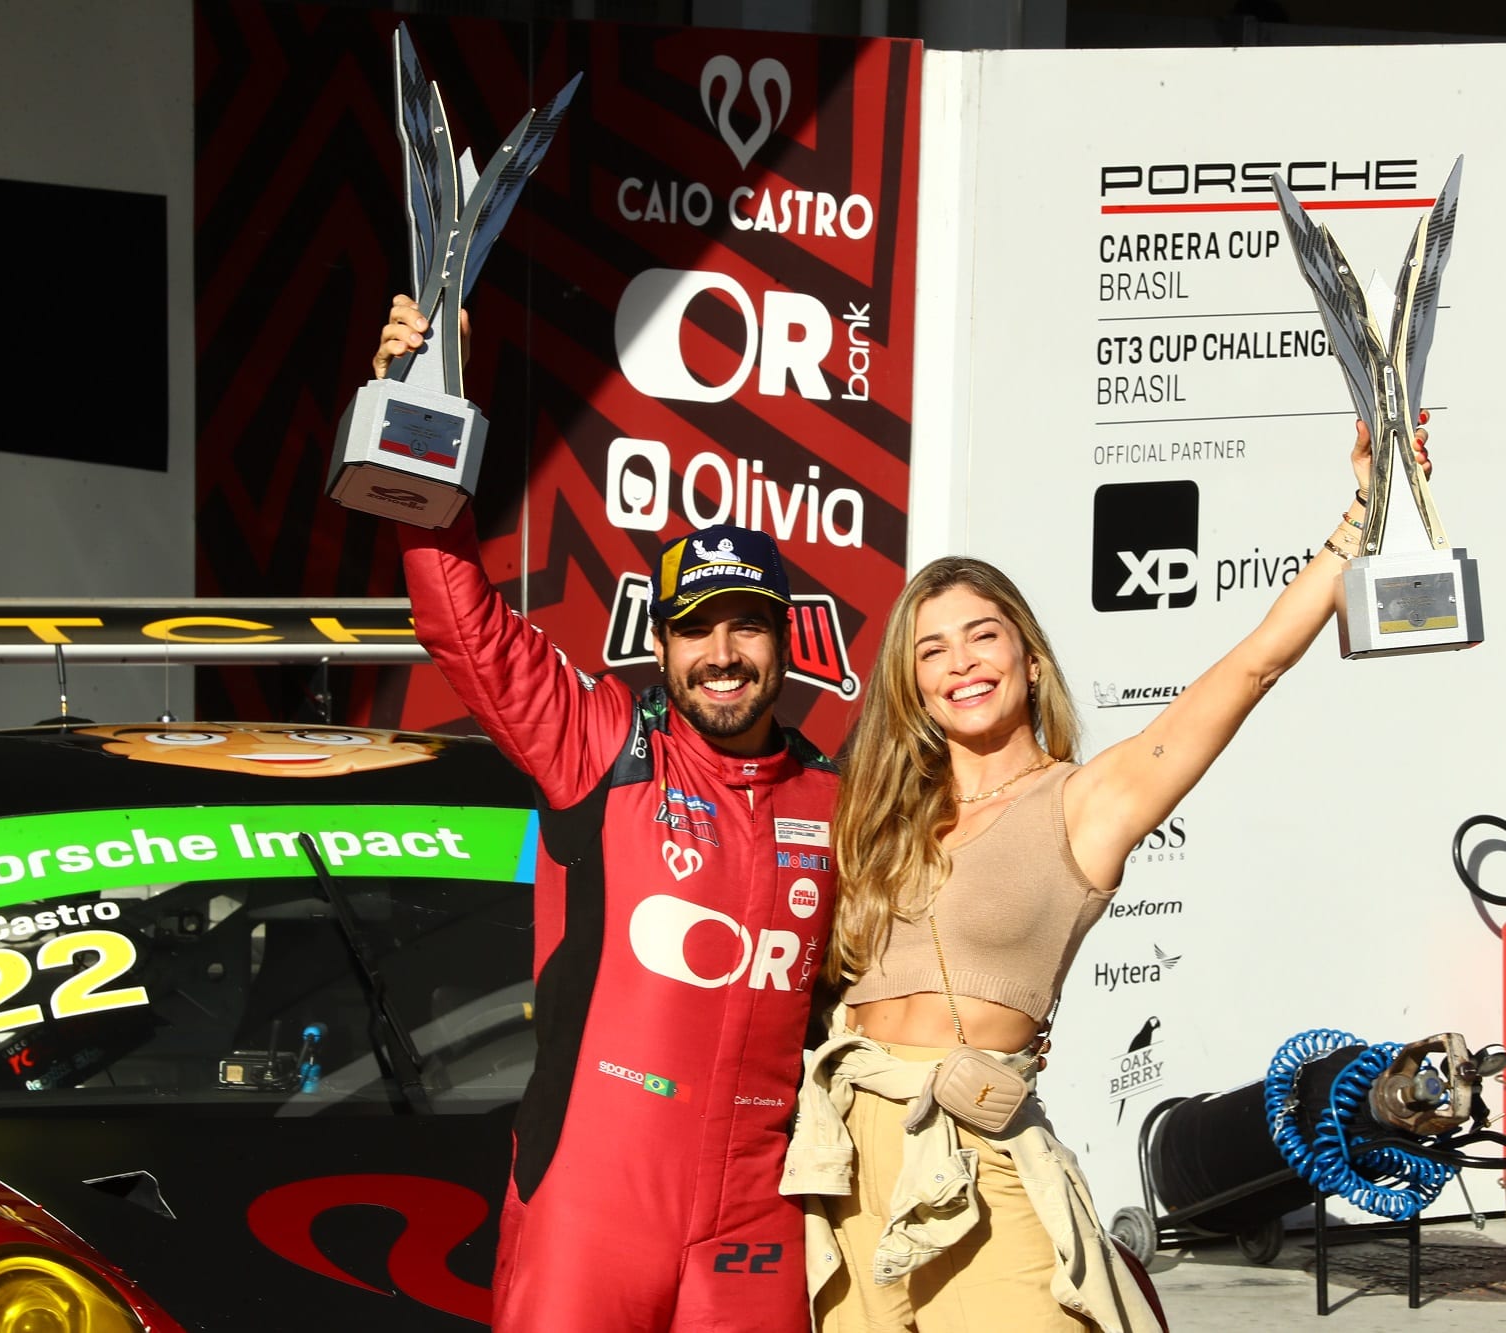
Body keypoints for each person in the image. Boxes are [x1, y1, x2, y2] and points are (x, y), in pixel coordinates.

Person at [784, 421, 1428, 1331]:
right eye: (932, 650)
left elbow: (1253, 664)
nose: (961, 662)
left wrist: (1364, 510)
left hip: (975, 1154)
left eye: (983, 636)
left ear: (1029, 656)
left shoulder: (1085, 802)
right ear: (910, 684)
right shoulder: (877, 816)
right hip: (849, 1158)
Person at [374, 298, 840, 1332]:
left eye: (747, 627)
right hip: (592, 1202)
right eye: (696, 630)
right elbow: (465, 626)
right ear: (662, 648)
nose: (723, 654)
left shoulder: (833, 801)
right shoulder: (603, 744)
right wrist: (414, 421)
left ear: (785, 640)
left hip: (756, 1222)